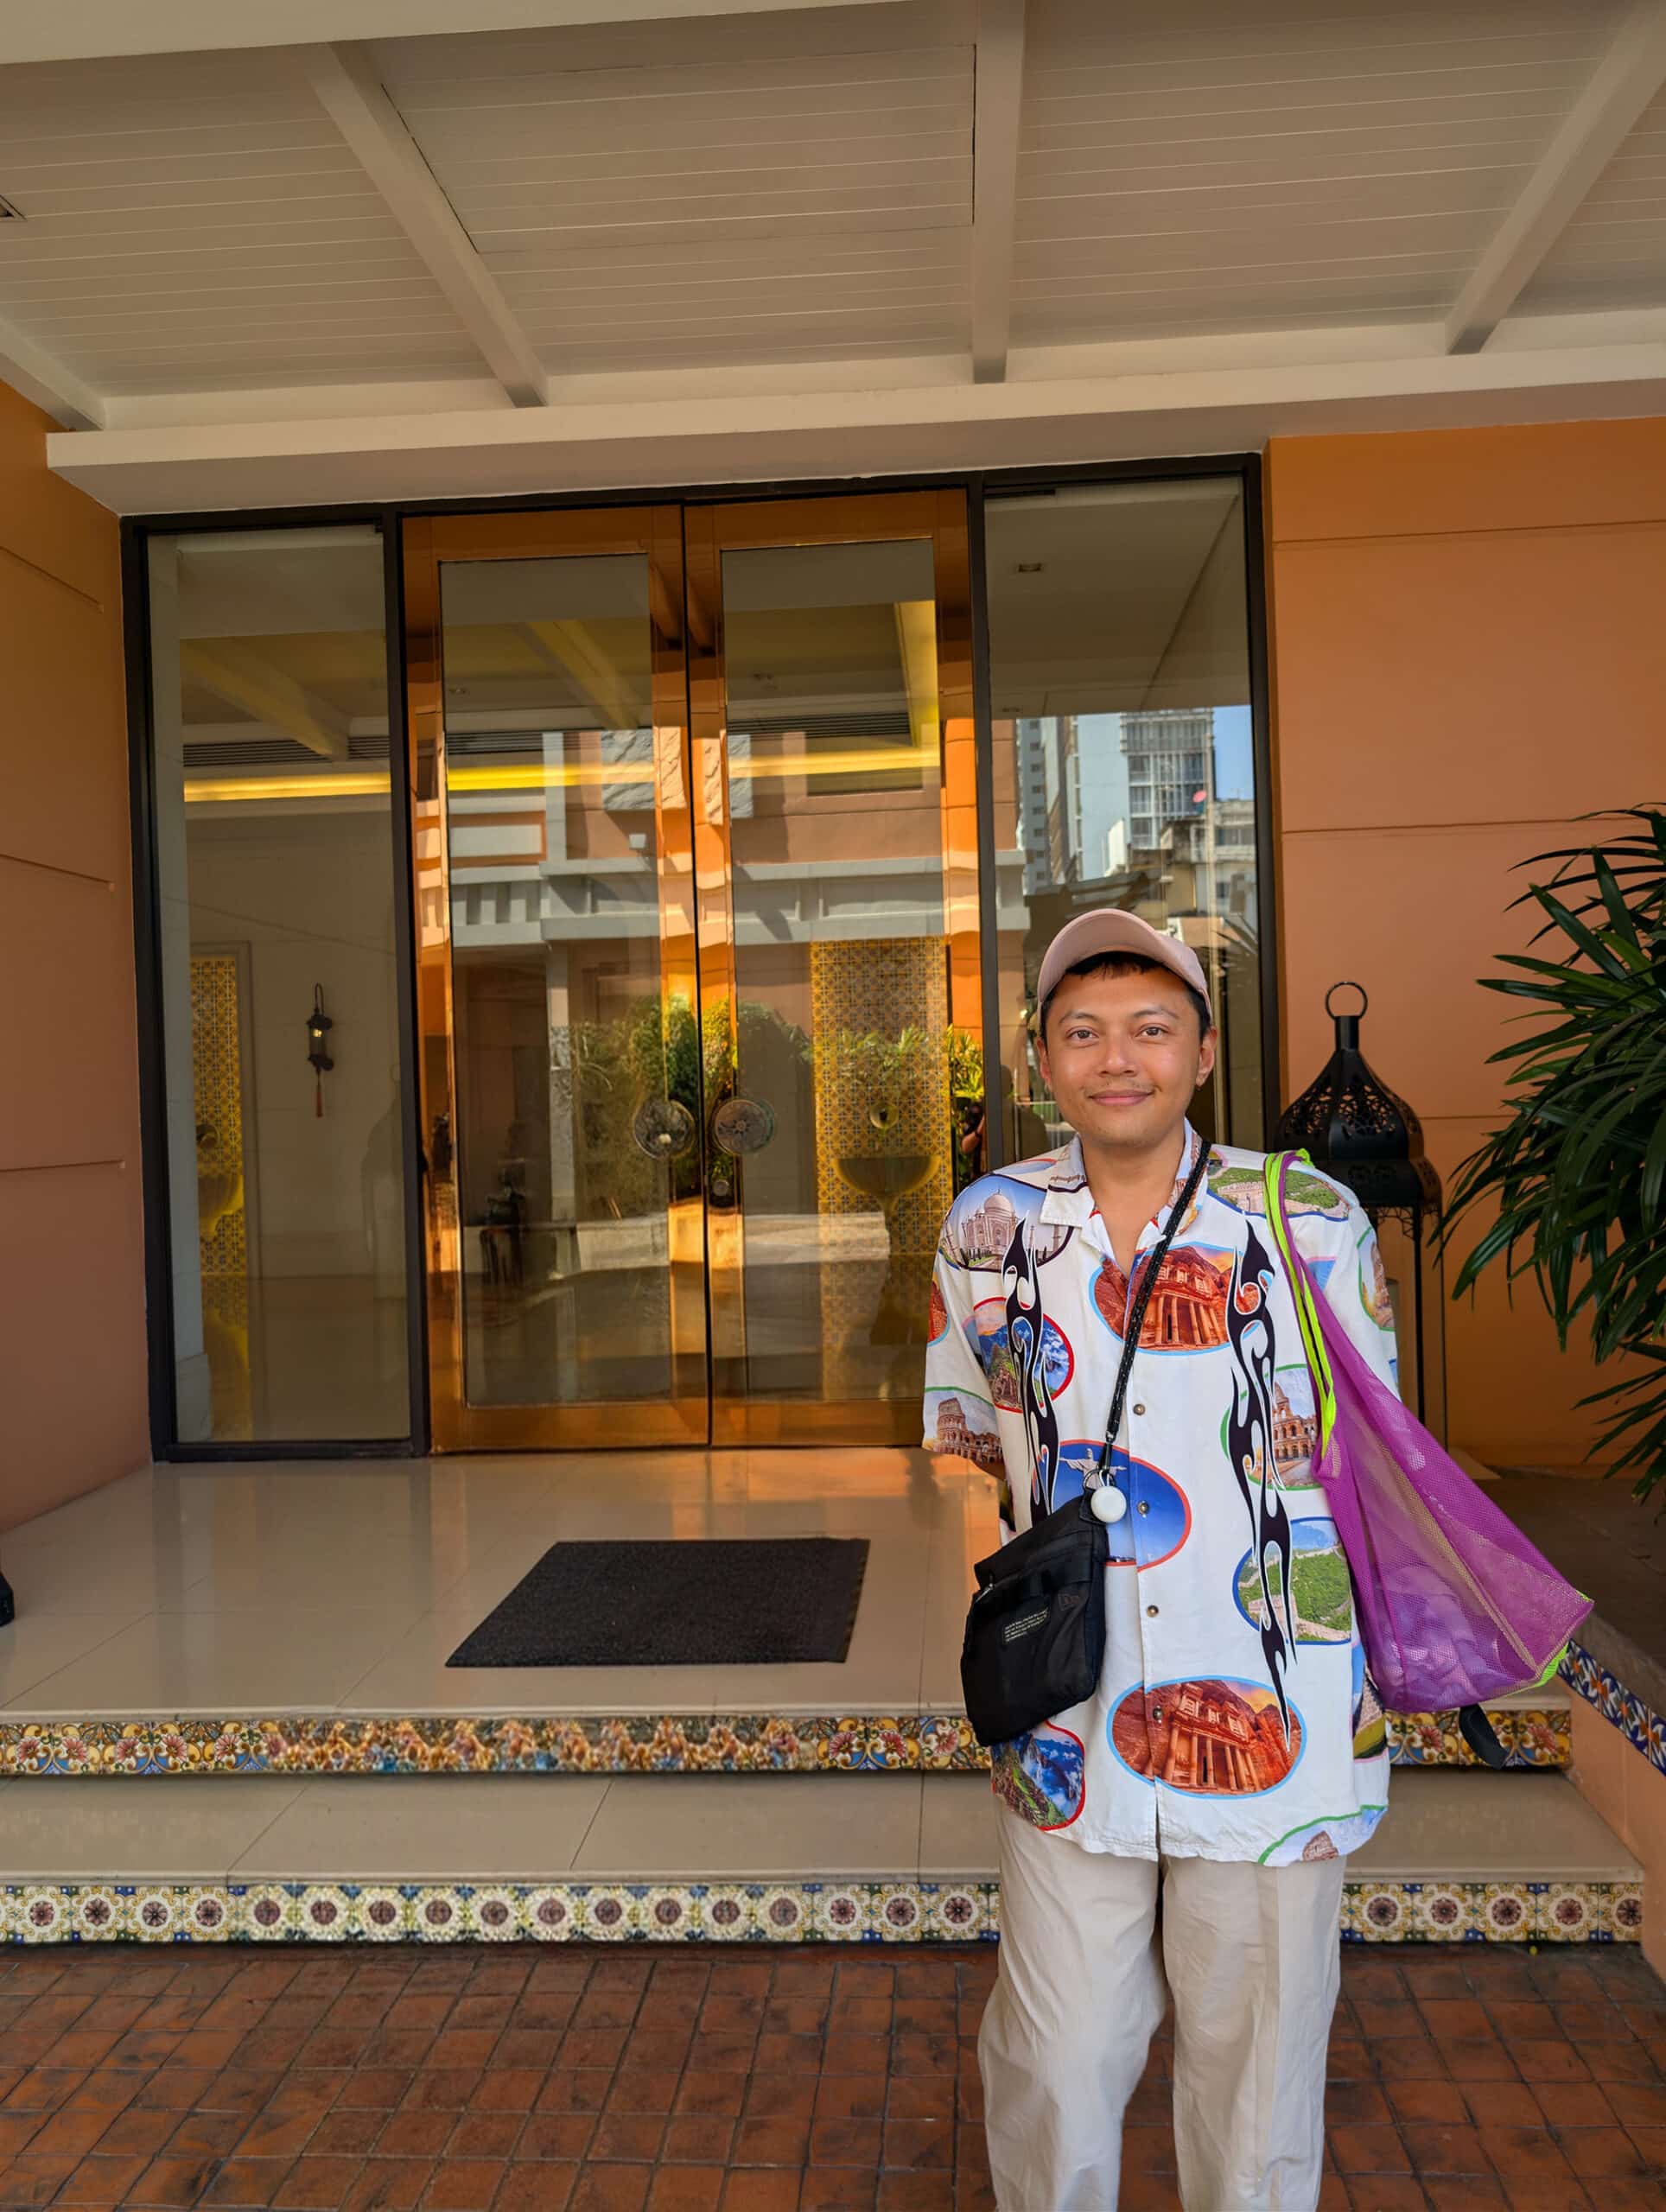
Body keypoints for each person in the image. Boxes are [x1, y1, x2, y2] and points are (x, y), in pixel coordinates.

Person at [924, 910, 1399, 2212]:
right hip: (1069, 1705)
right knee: (1057, 2056)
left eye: (1149, 1029)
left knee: (1257, 2066)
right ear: (1039, 1058)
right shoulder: (986, 1227)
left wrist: (1361, 1665)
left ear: (1199, 1053)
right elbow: (969, 1436)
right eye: (1082, 1032)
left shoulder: (1307, 1217)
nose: (1115, 1058)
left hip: (1278, 1704)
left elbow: (1374, 1459)